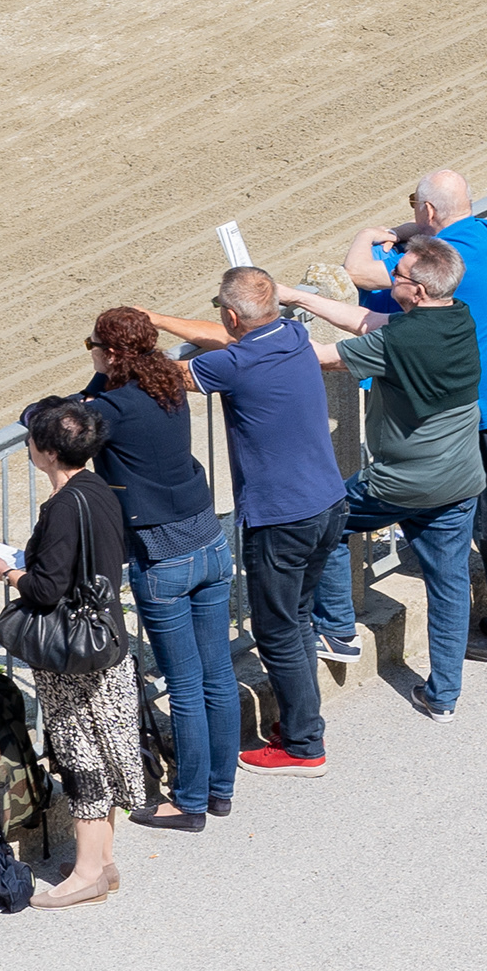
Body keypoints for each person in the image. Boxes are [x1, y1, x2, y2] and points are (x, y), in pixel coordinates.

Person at [346, 171, 487, 662]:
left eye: (415, 205)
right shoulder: (483, 234)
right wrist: (406, 228)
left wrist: (369, 235)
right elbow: (429, 230)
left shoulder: (441, 259)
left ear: (430, 212)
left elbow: (359, 272)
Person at [151, 266, 346, 772]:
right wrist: (159, 320)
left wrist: (132, 343)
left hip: (282, 518)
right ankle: (303, 722)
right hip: (327, 504)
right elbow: (222, 338)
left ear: (234, 316)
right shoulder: (292, 335)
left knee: (277, 631)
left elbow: (171, 376)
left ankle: (304, 745)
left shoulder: (234, 365)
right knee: (297, 620)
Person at [293, 233, 487, 716]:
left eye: (396, 273)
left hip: (402, 482)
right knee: (448, 585)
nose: (388, 276)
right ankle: (443, 697)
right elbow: (366, 320)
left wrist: (266, 333)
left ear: (416, 291)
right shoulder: (457, 316)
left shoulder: (398, 341)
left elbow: (322, 358)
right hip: (461, 477)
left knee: (327, 520)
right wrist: (295, 296)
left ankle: (336, 630)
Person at [71, 316, 235, 828]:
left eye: (94, 346)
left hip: (163, 558)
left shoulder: (109, 410)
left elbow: (47, 421)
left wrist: (96, 378)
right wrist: (108, 367)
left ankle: (189, 803)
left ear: (110, 354)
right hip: (210, 540)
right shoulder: (168, 388)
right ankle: (221, 790)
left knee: (185, 685)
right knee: (218, 674)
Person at [0, 396, 137, 906]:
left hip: (73, 653)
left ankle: (88, 874)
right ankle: (103, 860)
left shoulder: (63, 506)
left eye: (32, 439)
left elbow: (46, 589)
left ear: (49, 451)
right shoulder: (98, 489)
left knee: (80, 753)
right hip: (106, 637)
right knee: (104, 747)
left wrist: (8, 573)